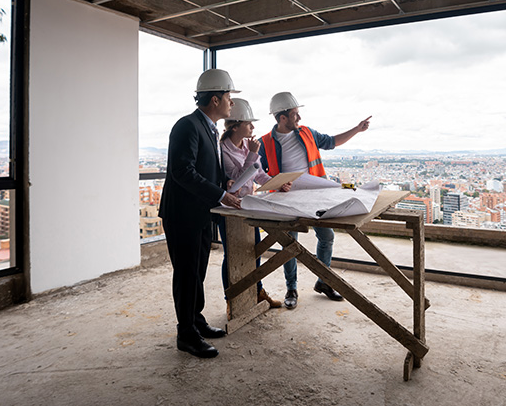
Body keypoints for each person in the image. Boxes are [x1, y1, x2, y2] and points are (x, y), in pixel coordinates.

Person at [258, 91, 371, 309]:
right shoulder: (265, 143)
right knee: (288, 244)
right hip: (286, 199)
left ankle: (323, 282)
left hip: (316, 195)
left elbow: (331, 142)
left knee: (326, 236)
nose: (299, 118)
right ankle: (291, 287)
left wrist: (357, 129)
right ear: (282, 118)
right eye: (294, 114)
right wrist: (276, 183)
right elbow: (259, 174)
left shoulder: (308, 133)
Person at [158, 69, 242, 359]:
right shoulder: (187, 126)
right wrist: (220, 195)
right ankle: (186, 334)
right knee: (187, 273)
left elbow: (204, 169)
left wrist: (223, 183)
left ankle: (196, 320)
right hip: (182, 214)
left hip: (200, 212)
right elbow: (182, 171)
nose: (232, 103)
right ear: (216, 99)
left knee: (198, 271)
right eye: (230, 97)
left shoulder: (209, 128)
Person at [217, 98, 290, 314]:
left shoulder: (247, 146)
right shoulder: (223, 150)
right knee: (232, 256)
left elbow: (258, 174)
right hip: (230, 209)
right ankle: (232, 299)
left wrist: (276, 183)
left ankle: (257, 292)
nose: (253, 127)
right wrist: (251, 154)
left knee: (254, 252)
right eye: (249, 124)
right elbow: (237, 179)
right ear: (236, 125)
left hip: (248, 205)